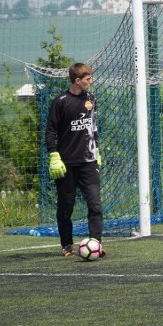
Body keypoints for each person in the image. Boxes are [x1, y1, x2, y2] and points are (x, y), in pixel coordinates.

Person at [46, 62, 105, 258]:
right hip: (67, 164)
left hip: (88, 161)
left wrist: (96, 150)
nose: (91, 82)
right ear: (77, 80)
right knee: (65, 207)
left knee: (95, 205)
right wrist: (54, 155)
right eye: (88, 79)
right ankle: (66, 246)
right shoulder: (60, 102)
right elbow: (51, 131)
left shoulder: (92, 98)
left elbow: (93, 126)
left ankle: (96, 243)